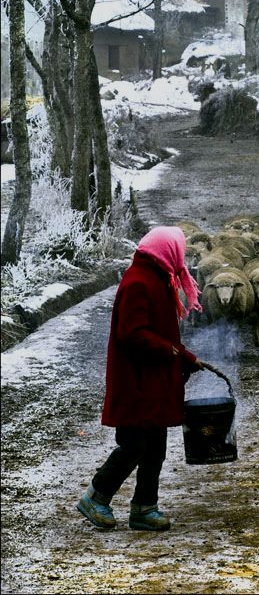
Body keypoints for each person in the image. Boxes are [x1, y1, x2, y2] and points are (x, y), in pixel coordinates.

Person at [77, 226, 204, 532]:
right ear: (167, 252)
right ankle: (95, 497)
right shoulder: (138, 283)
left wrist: (182, 355)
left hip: (152, 381)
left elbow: (157, 331)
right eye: (178, 252)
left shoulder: (157, 279)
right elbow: (132, 334)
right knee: (133, 444)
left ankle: (145, 507)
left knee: (155, 446)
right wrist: (172, 351)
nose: (181, 259)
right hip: (137, 383)